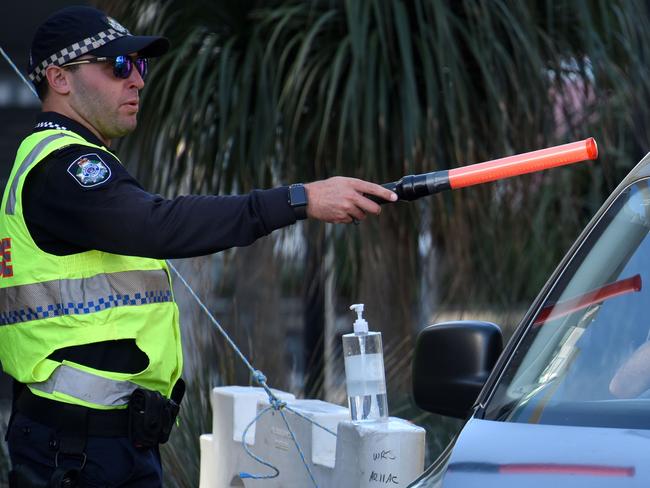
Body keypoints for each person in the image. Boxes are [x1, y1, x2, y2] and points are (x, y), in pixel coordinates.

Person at [0, 6, 396, 487]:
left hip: (101, 444)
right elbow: (161, 225)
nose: (137, 82)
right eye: (118, 67)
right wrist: (300, 199)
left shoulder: (73, 162)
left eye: (140, 67)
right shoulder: (63, 167)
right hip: (79, 451)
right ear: (60, 78)